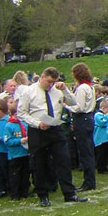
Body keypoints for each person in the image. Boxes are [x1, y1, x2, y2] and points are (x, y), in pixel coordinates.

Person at [17, 67, 88, 206]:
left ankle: (69, 193)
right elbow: (22, 113)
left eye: (53, 82)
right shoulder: (29, 91)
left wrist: (64, 89)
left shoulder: (57, 90)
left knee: (64, 160)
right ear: (43, 77)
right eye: (48, 81)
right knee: (39, 163)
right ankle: (43, 195)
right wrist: (37, 124)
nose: (50, 85)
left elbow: (74, 103)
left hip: (55, 128)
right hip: (37, 130)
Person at [67, 63, 97, 191]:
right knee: (88, 150)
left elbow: (79, 107)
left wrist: (66, 107)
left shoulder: (82, 88)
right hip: (89, 118)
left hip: (82, 119)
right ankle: (90, 180)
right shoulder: (90, 87)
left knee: (85, 152)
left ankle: (89, 182)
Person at [4, 98, 30, 200]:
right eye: (16, 114)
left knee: (25, 174)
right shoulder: (9, 126)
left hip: (25, 153)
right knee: (15, 175)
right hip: (15, 155)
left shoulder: (24, 124)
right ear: (12, 114)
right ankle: (15, 194)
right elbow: (8, 141)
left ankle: (24, 192)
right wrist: (20, 141)